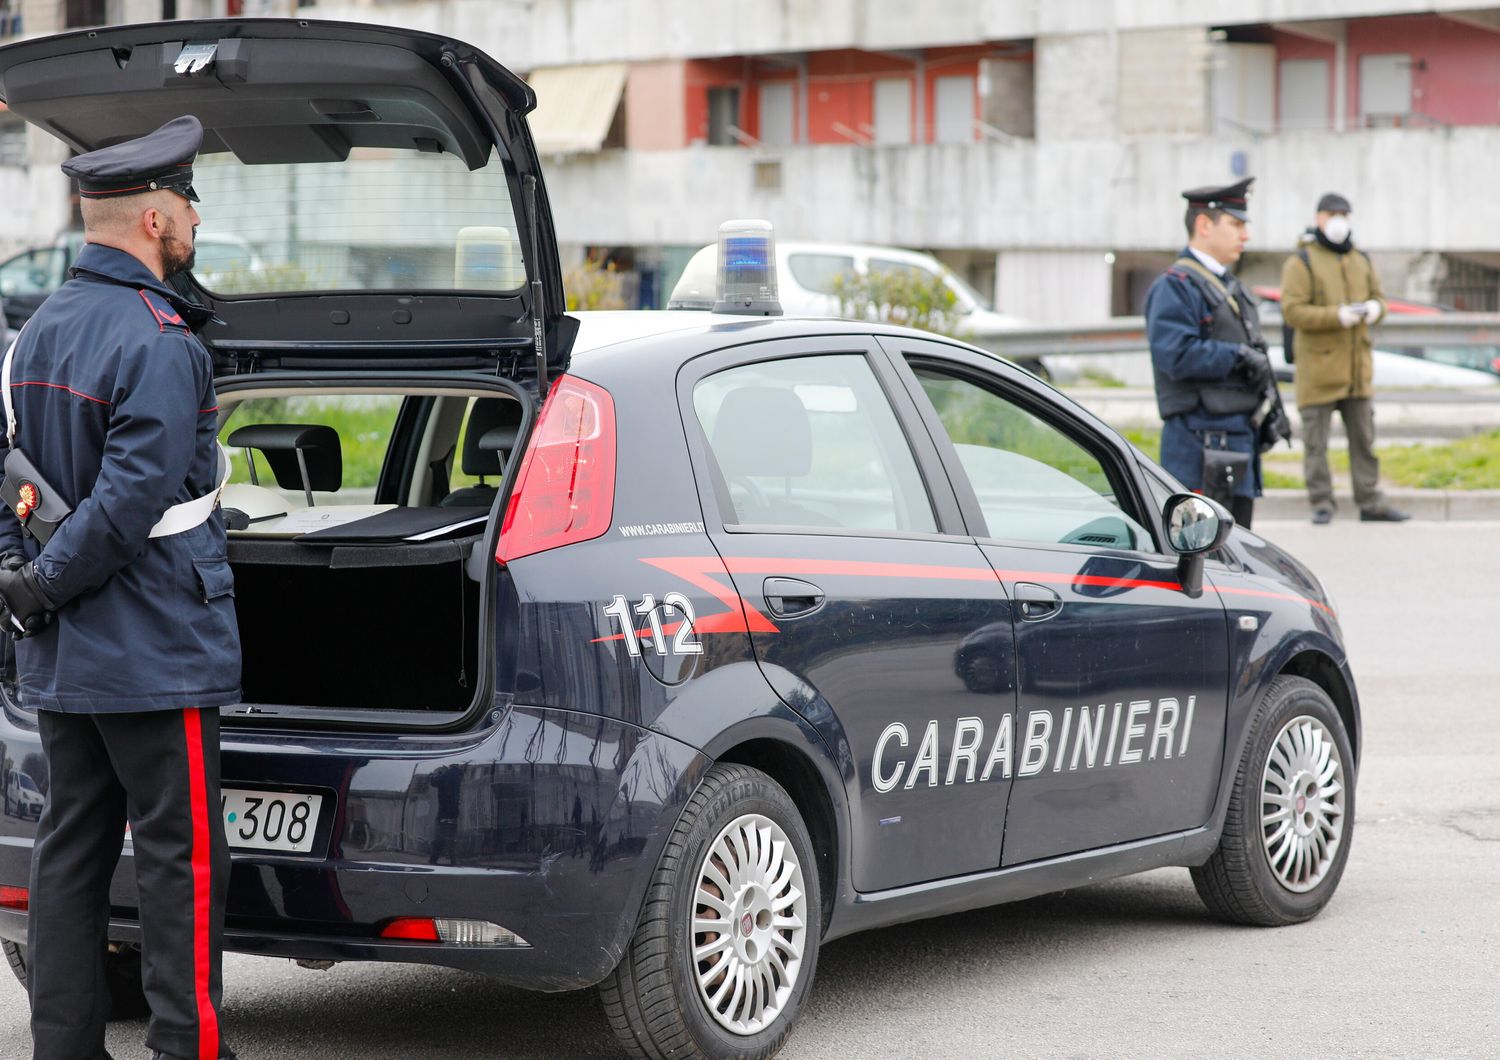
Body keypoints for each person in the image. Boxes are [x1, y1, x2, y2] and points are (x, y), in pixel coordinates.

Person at [0, 115, 240, 1060]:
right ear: (153, 219)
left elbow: (10, 474)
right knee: (182, 863)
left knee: (72, 850)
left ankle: (63, 1049)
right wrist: (45, 581)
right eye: (186, 204)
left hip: (60, 650)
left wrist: (22, 587)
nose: (193, 221)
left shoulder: (39, 330)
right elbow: (134, 500)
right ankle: (187, 1050)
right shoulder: (160, 342)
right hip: (155, 651)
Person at [1144, 177, 1278, 529]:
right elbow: (1174, 354)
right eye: (1235, 224)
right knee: (1203, 558)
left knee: (1237, 558)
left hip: (1234, 444)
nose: (1245, 235)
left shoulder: (1231, 286)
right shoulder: (1176, 286)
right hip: (1201, 448)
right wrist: (1235, 356)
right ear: (1204, 225)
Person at [1281, 192, 1410, 524]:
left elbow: (1380, 300)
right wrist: (1335, 316)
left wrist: (1374, 309)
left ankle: (1370, 501)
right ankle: (1321, 503)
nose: (1338, 219)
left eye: (1343, 213)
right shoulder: (1302, 261)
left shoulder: (1360, 259)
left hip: (1356, 370)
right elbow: (1293, 311)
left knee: (1364, 440)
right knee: (1316, 444)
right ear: (1318, 217)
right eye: (1332, 213)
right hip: (1318, 370)